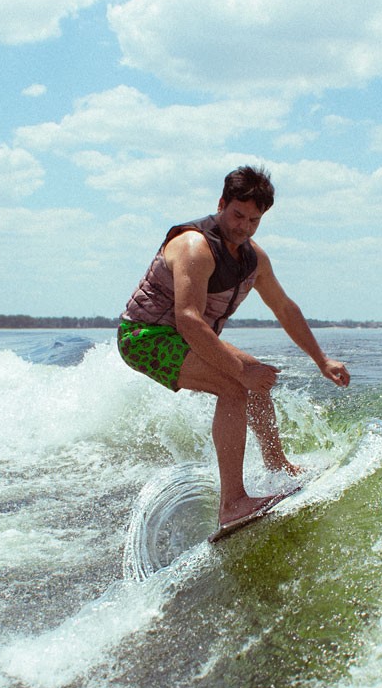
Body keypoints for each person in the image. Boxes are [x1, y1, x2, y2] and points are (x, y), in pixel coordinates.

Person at [118, 165, 350, 538]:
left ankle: (278, 466)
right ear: (222, 204)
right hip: (144, 337)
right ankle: (232, 504)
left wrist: (321, 359)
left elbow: (284, 308)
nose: (244, 226)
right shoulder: (195, 247)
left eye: (254, 220)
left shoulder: (252, 258)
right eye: (237, 215)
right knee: (235, 386)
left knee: (257, 378)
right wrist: (238, 372)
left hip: (183, 335)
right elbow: (190, 319)